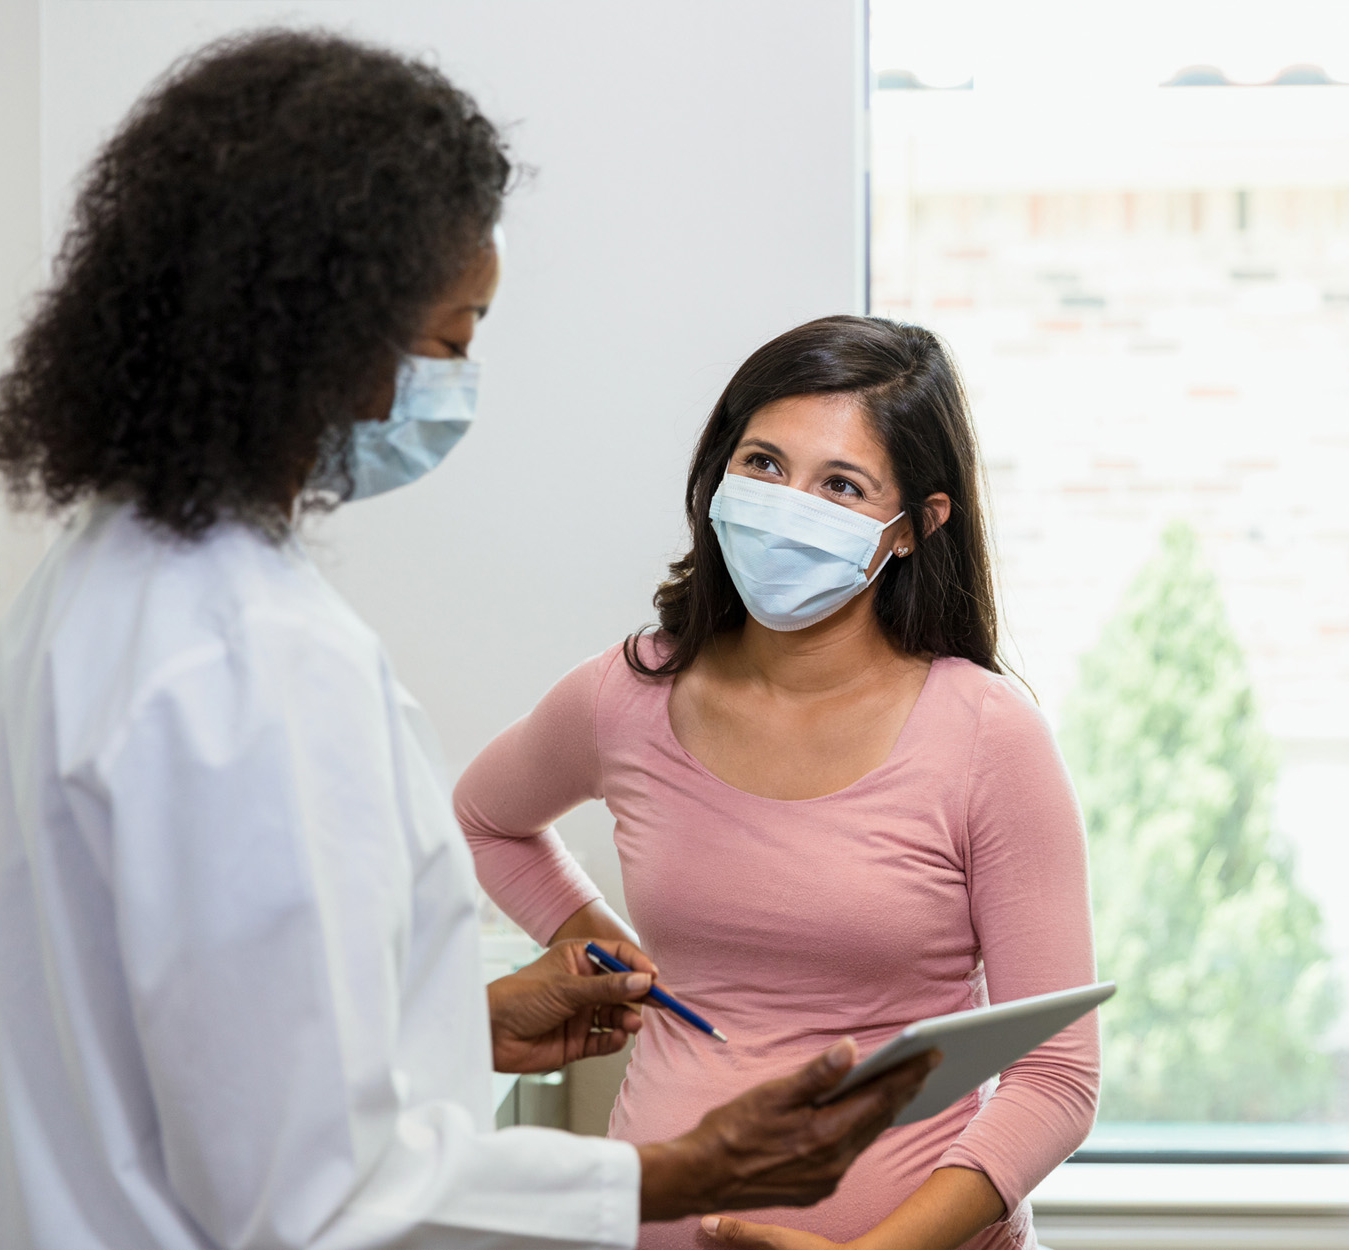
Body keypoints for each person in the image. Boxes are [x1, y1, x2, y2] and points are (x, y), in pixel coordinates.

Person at [0, 33, 933, 1250]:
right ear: (309, 334)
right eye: (449, 338)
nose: (460, 380)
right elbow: (309, 1194)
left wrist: (463, 1022)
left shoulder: (98, 581)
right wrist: (686, 1169)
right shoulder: (252, 662)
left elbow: (186, 1040)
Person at [455, 316, 1100, 1250]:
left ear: (917, 527)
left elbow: (1058, 1078)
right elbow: (485, 820)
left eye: (841, 485)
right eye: (763, 463)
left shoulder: (989, 736)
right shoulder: (630, 692)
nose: (788, 504)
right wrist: (606, 951)